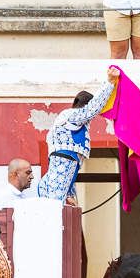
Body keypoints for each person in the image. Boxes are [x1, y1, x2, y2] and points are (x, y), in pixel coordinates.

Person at [37, 67, 119, 202]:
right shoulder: (73, 115)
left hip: (66, 162)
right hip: (65, 160)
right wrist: (109, 82)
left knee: (52, 195)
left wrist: (69, 192)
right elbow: (92, 108)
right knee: (54, 203)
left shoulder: (67, 119)